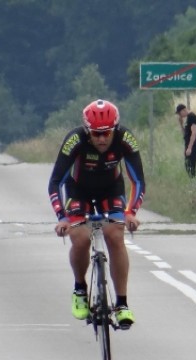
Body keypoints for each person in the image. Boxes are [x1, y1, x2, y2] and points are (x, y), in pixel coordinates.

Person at [48, 99, 144, 328]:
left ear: (115, 129)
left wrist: (131, 212)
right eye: (96, 134)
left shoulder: (125, 139)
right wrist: (62, 218)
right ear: (87, 130)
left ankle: (121, 304)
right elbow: (54, 183)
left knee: (115, 235)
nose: (101, 139)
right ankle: (80, 288)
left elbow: (138, 180)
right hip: (78, 191)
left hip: (111, 190)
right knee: (80, 238)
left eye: (106, 133)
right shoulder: (75, 140)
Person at [175, 104, 196, 178]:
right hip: (189, 144)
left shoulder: (192, 117)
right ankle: (194, 182)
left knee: (190, 165)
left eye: (180, 113)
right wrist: (181, 124)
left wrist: (190, 147)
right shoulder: (188, 118)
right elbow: (185, 134)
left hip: (194, 144)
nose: (180, 115)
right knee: (187, 164)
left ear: (184, 110)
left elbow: (194, 133)